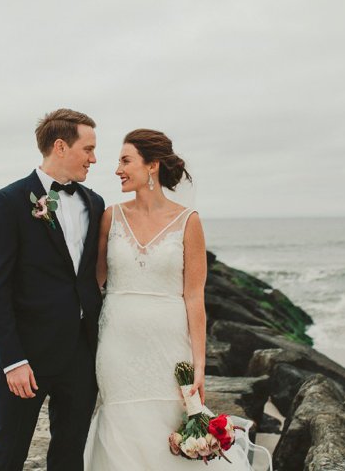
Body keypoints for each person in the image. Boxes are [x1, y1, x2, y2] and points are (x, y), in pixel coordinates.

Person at [84, 129, 251, 469]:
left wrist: (200, 365)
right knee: (122, 425)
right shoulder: (110, 217)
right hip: (117, 348)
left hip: (170, 350)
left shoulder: (188, 221)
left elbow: (194, 298)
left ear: (153, 166)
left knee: (169, 424)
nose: (117, 169)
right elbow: (93, 283)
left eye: (125, 160)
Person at [0, 108, 105, 471]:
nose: (94, 159)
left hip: (81, 356)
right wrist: (13, 360)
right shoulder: (7, 202)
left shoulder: (93, 203)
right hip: (28, 358)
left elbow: (91, 277)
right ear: (61, 146)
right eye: (89, 149)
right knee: (8, 454)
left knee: (69, 457)